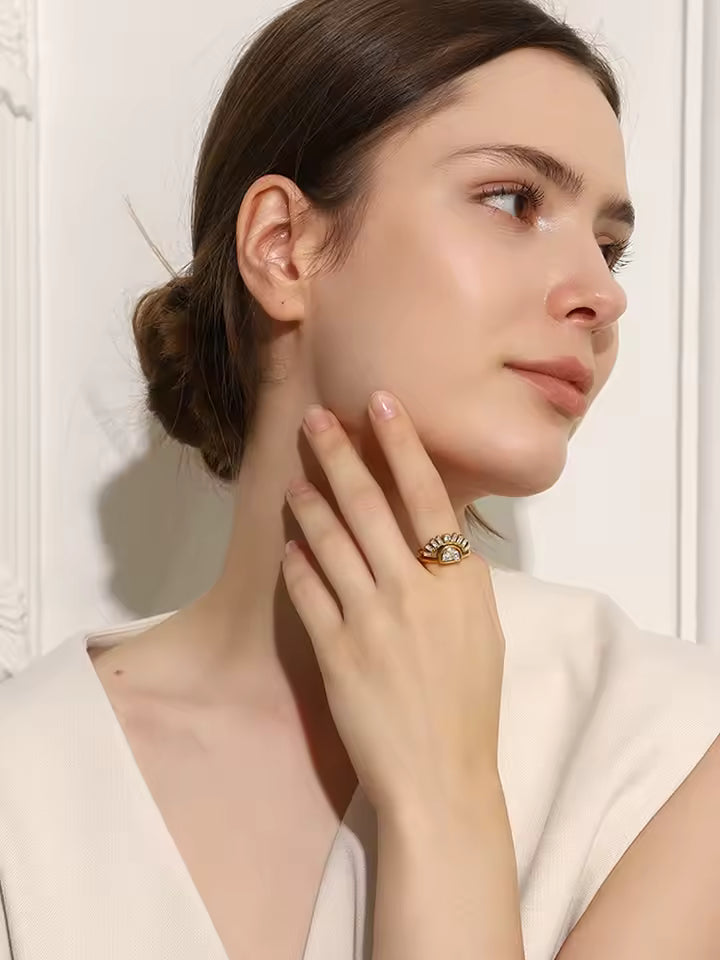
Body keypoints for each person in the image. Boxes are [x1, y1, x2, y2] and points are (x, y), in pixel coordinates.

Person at [2, 0, 720, 957]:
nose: (602, 290)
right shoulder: (25, 774)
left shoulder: (675, 751)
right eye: (513, 200)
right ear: (282, 246)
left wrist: (446, 801)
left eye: (609, 242)